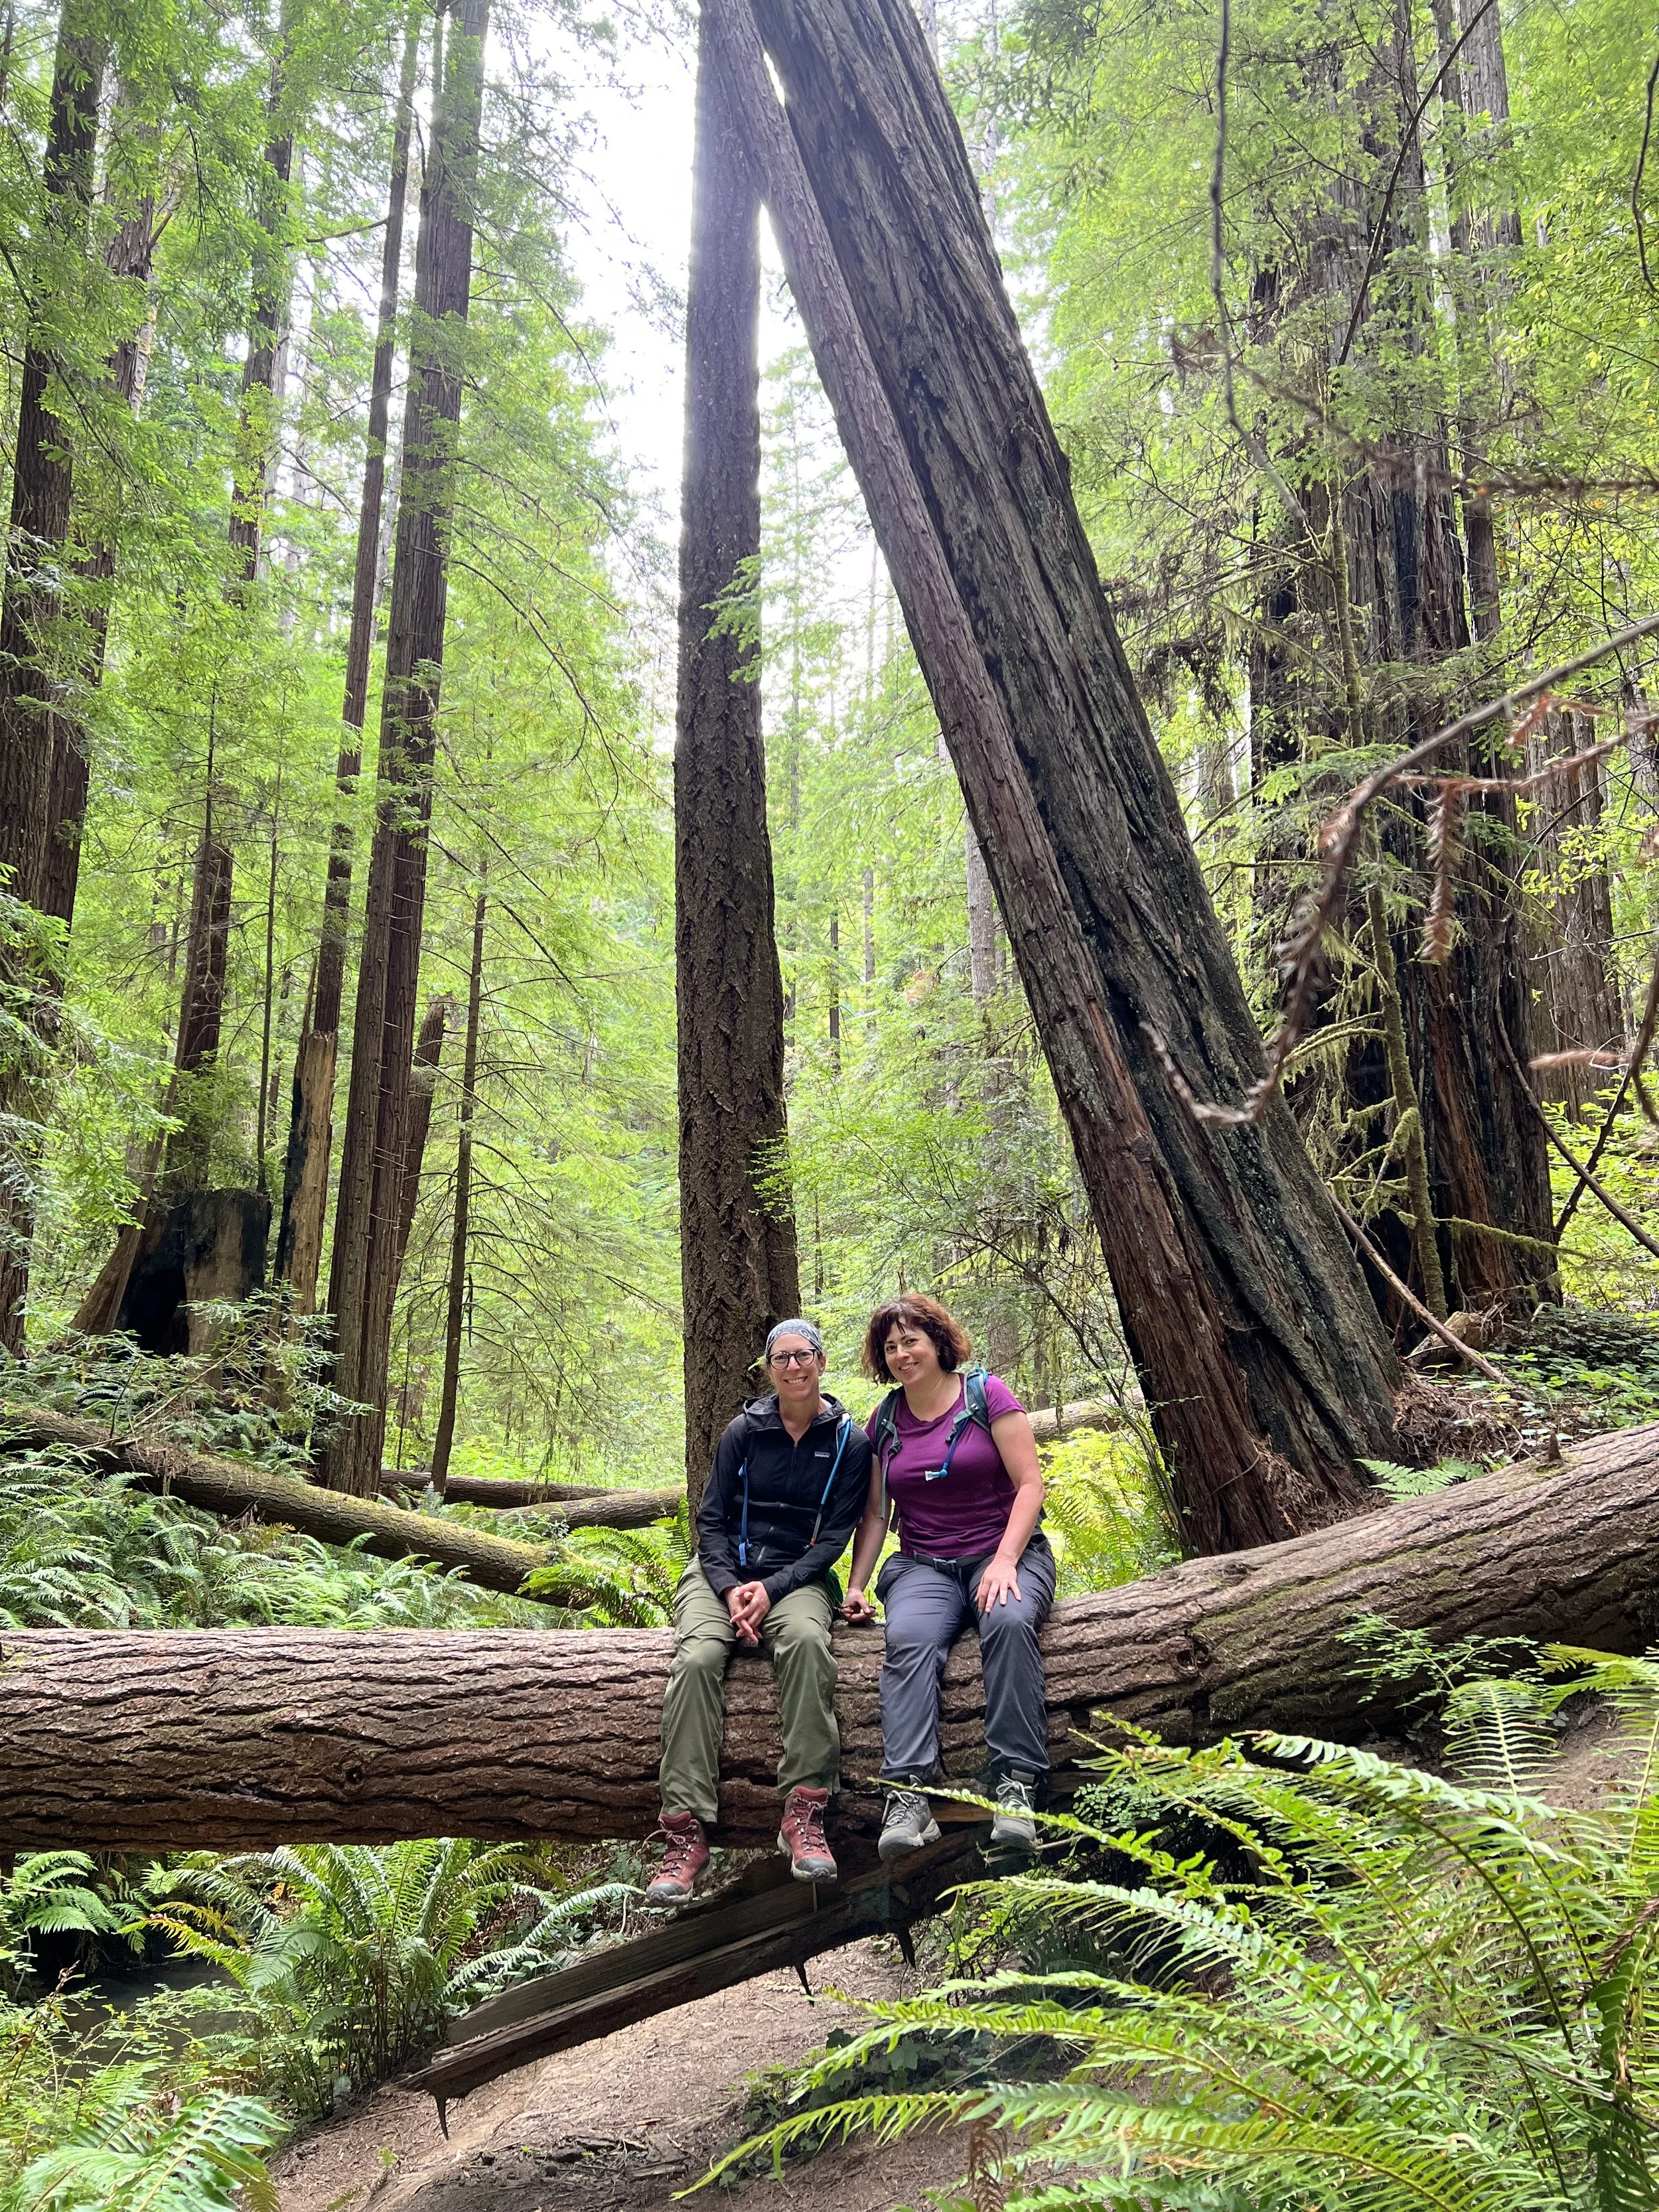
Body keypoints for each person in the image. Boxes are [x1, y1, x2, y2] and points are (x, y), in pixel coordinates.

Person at [648, 1319, 873, 1905]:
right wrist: (728, 1589)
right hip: (721, 1572)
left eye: (804, 1356)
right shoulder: (743, 1432)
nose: (794, 1367)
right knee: (698, 1657)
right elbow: (711, 1521)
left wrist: (772, 1590)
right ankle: (685, 1832)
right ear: (768, 1368)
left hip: (796, 1576)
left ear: (822, 1361)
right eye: (781, 1359)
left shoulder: (850, 1441)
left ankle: (804, 1812)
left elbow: (833, 1540)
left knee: (804, 1643)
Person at [840, 1293, 1052, 1864]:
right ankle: (909, 1795)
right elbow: (877, 1515)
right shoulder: (885, 1421)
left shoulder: (987, 1395)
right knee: (907, 1638)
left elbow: (1030, 1484)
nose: (903, 1353)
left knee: (1007, 1621)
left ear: (938, 1341)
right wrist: (857, 1585)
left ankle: (1016, 1786)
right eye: (891, 1346)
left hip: (1004, 1551)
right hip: (925, 1565)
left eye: (911, 1340)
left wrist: (1007, 1559)